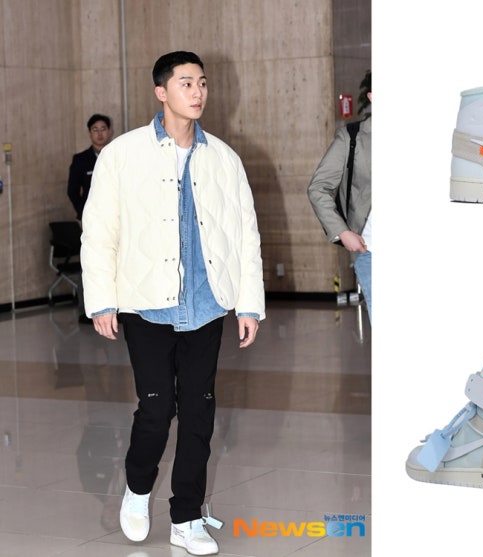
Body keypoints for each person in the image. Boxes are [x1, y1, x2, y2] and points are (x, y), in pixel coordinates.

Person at [81, 51, 265, 556]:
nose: (198, 91)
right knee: (157, 409)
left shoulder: (224, 158)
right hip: (146, 303)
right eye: (186, 83)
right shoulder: (122, 154)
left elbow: (245, 235)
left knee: (200, 412)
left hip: (206, 304)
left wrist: (249, 303)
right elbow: (99, 233)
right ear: (161, 92)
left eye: (202, 82)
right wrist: (101, 301)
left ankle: (186, 518)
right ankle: (138, 489)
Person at [308, 71, 372, 323]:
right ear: (372, 96)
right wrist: (343, 232)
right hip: (371, 249)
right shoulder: (352, 137)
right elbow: (318, 187)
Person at [67, 114, 113, 324]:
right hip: (92, 222)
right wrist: (84, 213)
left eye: (103, 129)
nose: (100, 133)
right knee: (91, 262)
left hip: (116, 220)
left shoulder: (117, 154)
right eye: (95, 129)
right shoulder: (81, 160)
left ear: (110, 131)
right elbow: (72, 191)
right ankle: (87, 310)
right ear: (89, 133)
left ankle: (118, 310)